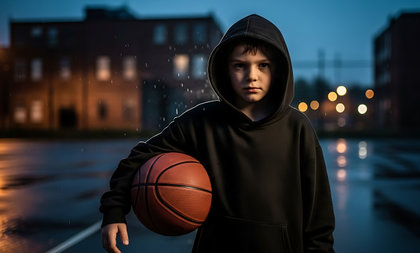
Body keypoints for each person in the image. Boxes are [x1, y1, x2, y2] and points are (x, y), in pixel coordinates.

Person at [100, 14, 335, 253]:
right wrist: (114, 211)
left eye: (263, 65)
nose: (251, 75)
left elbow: (319, 217)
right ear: (225, 69)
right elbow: (140, 156)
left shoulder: (298, 128)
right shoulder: (203, 121)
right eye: (240, 65)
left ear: (278, 69)